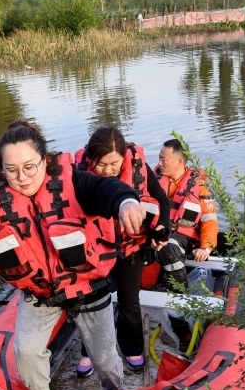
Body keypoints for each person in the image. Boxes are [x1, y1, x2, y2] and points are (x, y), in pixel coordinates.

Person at [0, 120, 147, 390]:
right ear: (2, 169)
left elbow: (106, 189)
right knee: (25, 350)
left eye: (29, 167)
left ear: (44, 160)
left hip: (86, 286)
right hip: (40, 292)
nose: (21, 177)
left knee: (105, 361)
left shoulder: (73, 181)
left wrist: (126, 201)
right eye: (11, 170)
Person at [72, 127, 171, 377]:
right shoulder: (80, 175)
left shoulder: (139, 166)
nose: (107, 170)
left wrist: (163, 228)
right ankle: (89, 352)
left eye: (113, 163)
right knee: (91, 302)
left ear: (124, 157)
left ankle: (132, 349)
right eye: (100, 164)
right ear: (90, 158)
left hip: (131, 247)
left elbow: (162, 199)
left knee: (129, 300)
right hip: (93, 250)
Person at [154, 138, 219, 290]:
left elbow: (209, 221)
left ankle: (180, 290)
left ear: (179, 162)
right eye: (159, 159)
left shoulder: (199, 188)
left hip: (182, 236)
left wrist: (205, 248)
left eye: (163, 160)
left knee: (168, 247)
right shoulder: (154, 179)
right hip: (157, 229)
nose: (159, 163)